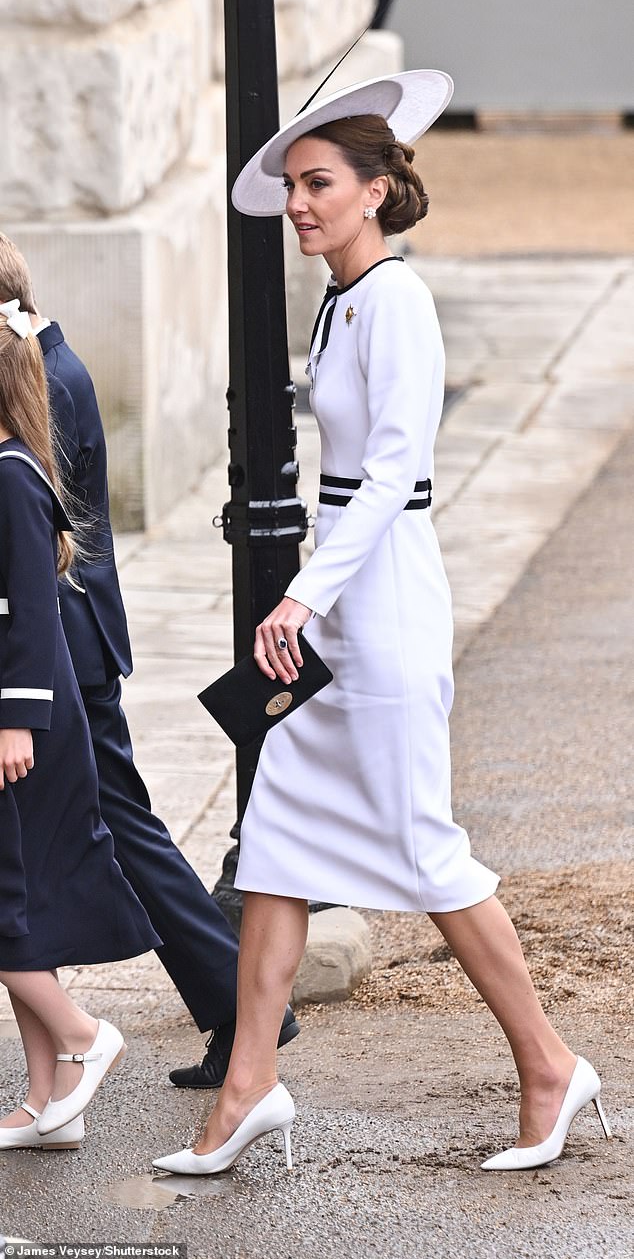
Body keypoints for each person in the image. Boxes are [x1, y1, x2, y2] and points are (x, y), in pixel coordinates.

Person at [153, 69, 612, 1177]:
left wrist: (304, 592)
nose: (300, 203)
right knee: (274, 842)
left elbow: (395, 468)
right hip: (346, 598)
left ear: (373, 190)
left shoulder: (395, 298)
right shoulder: (342, 295)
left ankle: (551, 1064)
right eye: (295, 186)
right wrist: (314, 596)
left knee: (422, 849)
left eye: (318, 184)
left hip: (386, 597)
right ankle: (248, 1084)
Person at [0, 234, 299, 1089]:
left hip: (60, 647)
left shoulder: (43, 375)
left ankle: (241, 1008)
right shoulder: (52, 363)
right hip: (66, 641)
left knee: (123, 833)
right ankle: (224, 1010)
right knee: (117, 832)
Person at [0, 304, 161, 1150]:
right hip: (14, 720)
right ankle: (46, 1101)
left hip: (19, 725)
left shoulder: (12, 475)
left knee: (8, 910)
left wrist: (14, 722)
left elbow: (30, 612)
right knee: (21, 914)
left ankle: (85, 1036)